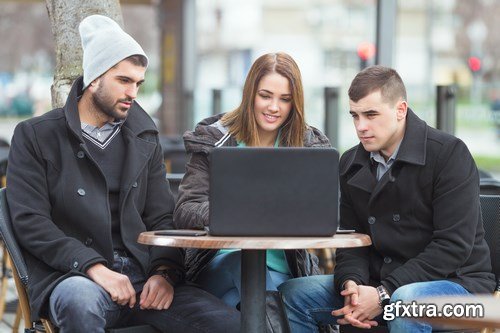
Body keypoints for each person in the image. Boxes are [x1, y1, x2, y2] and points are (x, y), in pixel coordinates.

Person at [6, 15, 239, 333]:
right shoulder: (36, 136)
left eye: (138, 83)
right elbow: (30, 223)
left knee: (229, 323)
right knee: (79, 301)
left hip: (142, 281)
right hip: (74, 277)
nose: (133, 92)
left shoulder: (144, 137)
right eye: (123, 80)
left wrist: (165, 272)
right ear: (94, 78)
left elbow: (161, 220)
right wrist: (93, 267)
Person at [278, 65, 496, 332]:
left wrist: (383, 293)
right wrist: (351, 285)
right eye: (355, 116)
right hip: (380, 282)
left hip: (464, 293)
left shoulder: (449, 154)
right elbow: (353, 241)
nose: (361, 126)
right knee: (294, 293)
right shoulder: (351, 163)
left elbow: (453, 246)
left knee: (405, 302)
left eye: (371, 114)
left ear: (400, 110)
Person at [173, 52, 330, 329]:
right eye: (265, 96)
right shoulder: (215, 139)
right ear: (250, 94)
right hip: (220, 263)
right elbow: (186, 208)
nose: (274, 107)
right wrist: (240, 213)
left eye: (285, 99)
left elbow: (325, 207)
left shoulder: (307, 144)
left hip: (284, 272)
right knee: (243, 266)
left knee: (245, 304)